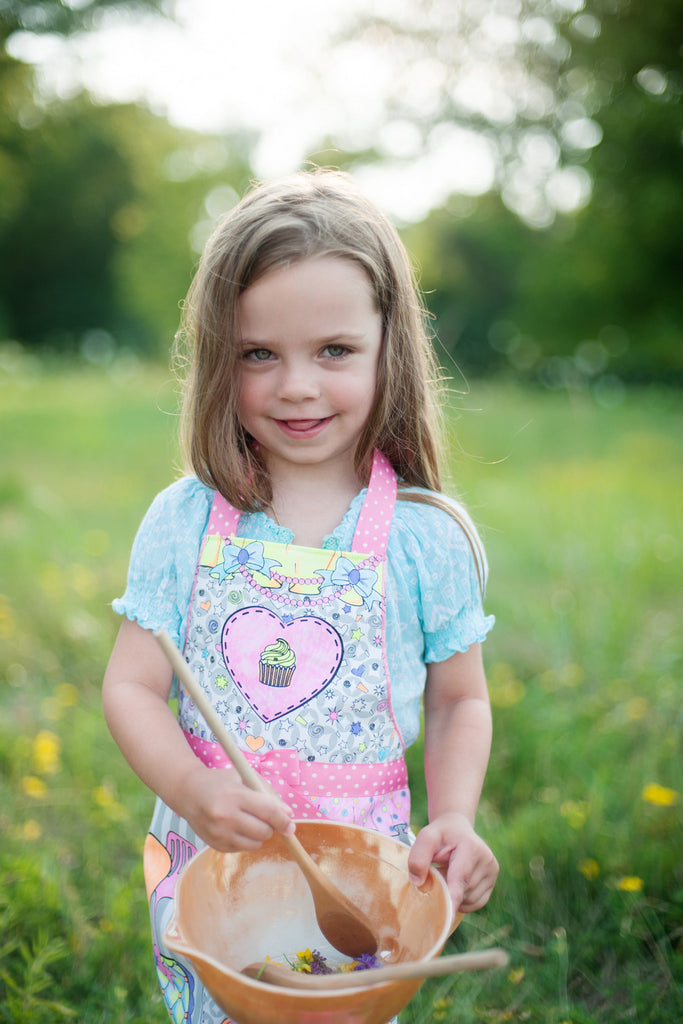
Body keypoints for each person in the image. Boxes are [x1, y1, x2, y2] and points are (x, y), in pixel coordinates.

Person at [103, 168, 499, 1024]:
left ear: (388, 347)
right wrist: (189, 787)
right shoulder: (185, 523)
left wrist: (457, 818)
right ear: (219, 357)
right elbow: (132, 684)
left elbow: (459, 701)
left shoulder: (426, 537)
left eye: (334, 351)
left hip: (363, 869)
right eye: (258, 354)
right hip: (218, 860)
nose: (296, 386)